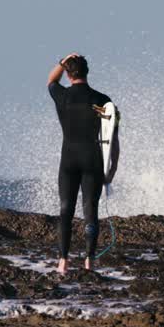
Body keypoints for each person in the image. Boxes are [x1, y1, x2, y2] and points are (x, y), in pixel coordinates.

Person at [47, 52, 119, 274]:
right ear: (87, 72)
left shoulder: (62, 96)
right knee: (90, 210)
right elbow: (112, 139)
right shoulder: (102, 100)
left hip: (68, 159)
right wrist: (112, 169)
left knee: (65, 209)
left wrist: (61, 61)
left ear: (68, 75)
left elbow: (51, 81)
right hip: (93, 159)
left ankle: (63, 261)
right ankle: (89, 261)